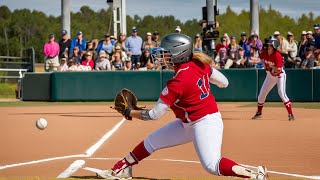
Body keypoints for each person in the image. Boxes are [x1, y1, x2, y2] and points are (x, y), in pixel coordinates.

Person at [96, 33, 268, 180]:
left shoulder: (176, 82)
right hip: (190, 121)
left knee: (211, 165)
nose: (162, 56)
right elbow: (224, 82)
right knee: (151, 142)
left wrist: (129, 112)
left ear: (178, 53)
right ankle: (122, 168)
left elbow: (155, 115)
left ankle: (255, 174)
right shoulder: (199, 64)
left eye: (166, 53)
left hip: (204, 123)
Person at [252, 36, 295, 121]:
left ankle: (291, 114)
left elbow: (278, 69)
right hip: (270, 76)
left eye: (270, 45)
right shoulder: (264, 53)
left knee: (282, 93)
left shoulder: (277, 55)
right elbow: (260, 59)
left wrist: (271, 66)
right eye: (268, 45)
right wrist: (257, 50)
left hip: (279, 75)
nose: (268, 46)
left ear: (274, 46)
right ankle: (259, 113)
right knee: (261, 95)